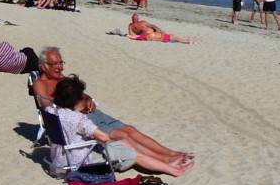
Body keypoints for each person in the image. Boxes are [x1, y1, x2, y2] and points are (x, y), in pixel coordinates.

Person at [33, 48, 193, 167]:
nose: (60, 67)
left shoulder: (62, 78)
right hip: (82, 120)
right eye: (55, 64)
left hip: (93, 112)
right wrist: (76, 105)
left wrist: (88, 99)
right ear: (43, 66)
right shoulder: (41, 84)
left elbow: (80, 93)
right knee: (123, 135)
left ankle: (170, 153)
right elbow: (49, 108)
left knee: (131, 129)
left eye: (61, 63)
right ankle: (165, 160)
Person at [50, 75, 195, 178]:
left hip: (59, 162)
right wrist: (97, 136)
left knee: (124, 142)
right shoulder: (79, 119)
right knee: (131, 152)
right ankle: (174, 170)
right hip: (80, 161)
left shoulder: (52, 112)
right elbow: (104, 137)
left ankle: (169, 160)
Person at [127, 14, 197, 43]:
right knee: (173, 37)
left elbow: (131, 35)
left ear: (132, 19)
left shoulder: (131, 25)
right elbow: (152, 26)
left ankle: (186, 40)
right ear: (138, 18)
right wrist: (158, 29)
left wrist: (136, 35)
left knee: (172, 36)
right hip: (151, 34)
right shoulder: (143, 22)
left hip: (148, 34)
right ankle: (186, 41)